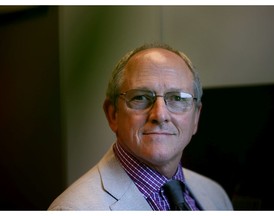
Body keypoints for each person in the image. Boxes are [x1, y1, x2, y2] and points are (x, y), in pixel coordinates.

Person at [48, 43, 233, 211]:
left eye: (177, 98)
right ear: (113, 115)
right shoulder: (72, 210)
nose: (160, 115)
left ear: (196, 118)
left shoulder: (216, 196)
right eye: (140, 97)